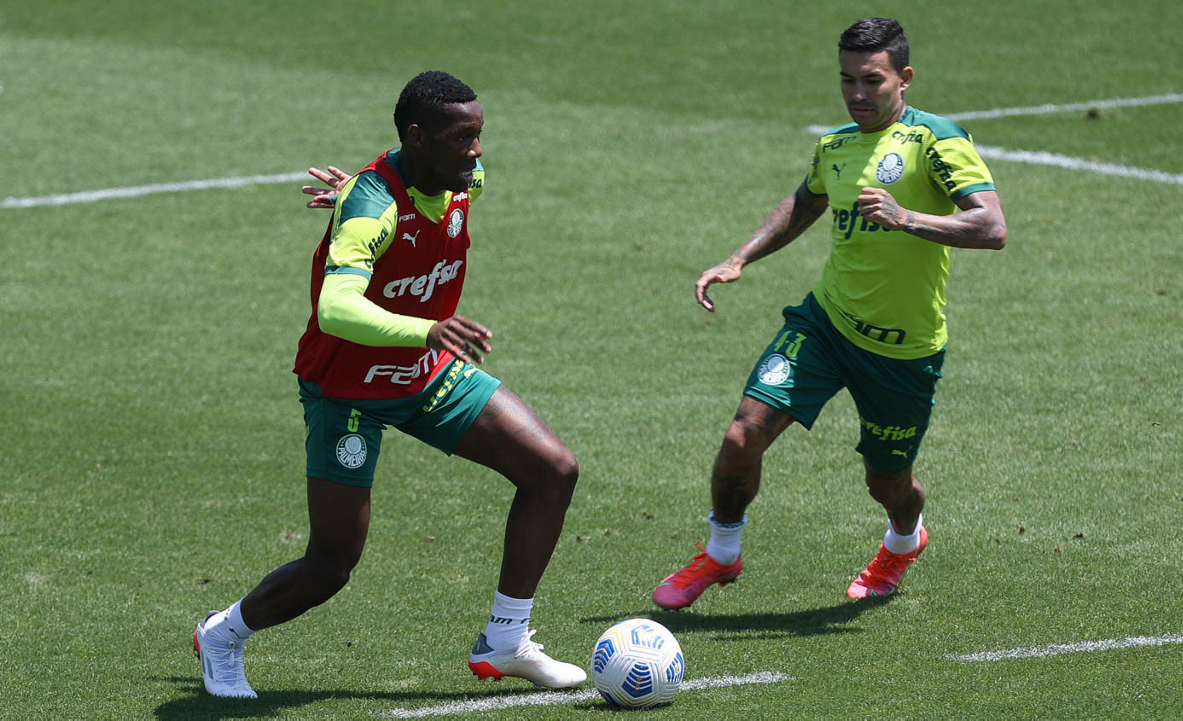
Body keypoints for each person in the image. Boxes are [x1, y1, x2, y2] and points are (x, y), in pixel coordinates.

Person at [194, 71, 587, 699]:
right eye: (462, 138)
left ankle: (506, 640)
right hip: (348, 389)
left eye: (479, 135)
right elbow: (336, 308)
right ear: (418, 137)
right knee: (332, 563)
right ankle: (222, 633)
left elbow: (426, 185)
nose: (477, 152)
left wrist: (359, 188)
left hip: (425, 374)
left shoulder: (462, 181)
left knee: (553, 470)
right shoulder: (371, 208)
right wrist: (423, 321)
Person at [652, 18, 1006, 610]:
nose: (857, 94)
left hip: (902, 348)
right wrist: (740, 257)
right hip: (826, 324)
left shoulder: (935, 140)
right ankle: (721, 552)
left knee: (887, 483)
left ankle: (903, 541)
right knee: (743, 434)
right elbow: (804, 201)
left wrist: (906, 218)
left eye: (872, 80)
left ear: (904, 78)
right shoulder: (836, 145)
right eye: (847, 80)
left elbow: (991, 226)